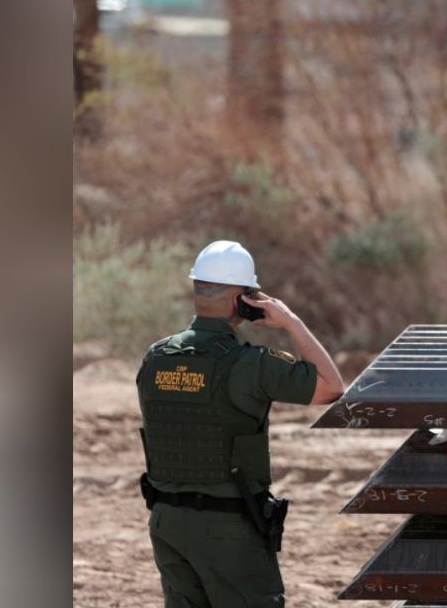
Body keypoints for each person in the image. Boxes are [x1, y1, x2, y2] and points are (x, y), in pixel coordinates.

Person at [136, 240, 345, 606]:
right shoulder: (252, 364)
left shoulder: (155, 357)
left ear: (197, 289)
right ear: (242, 300)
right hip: (227, 528)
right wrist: (290, 322)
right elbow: (331, 387)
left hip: (166, 522)